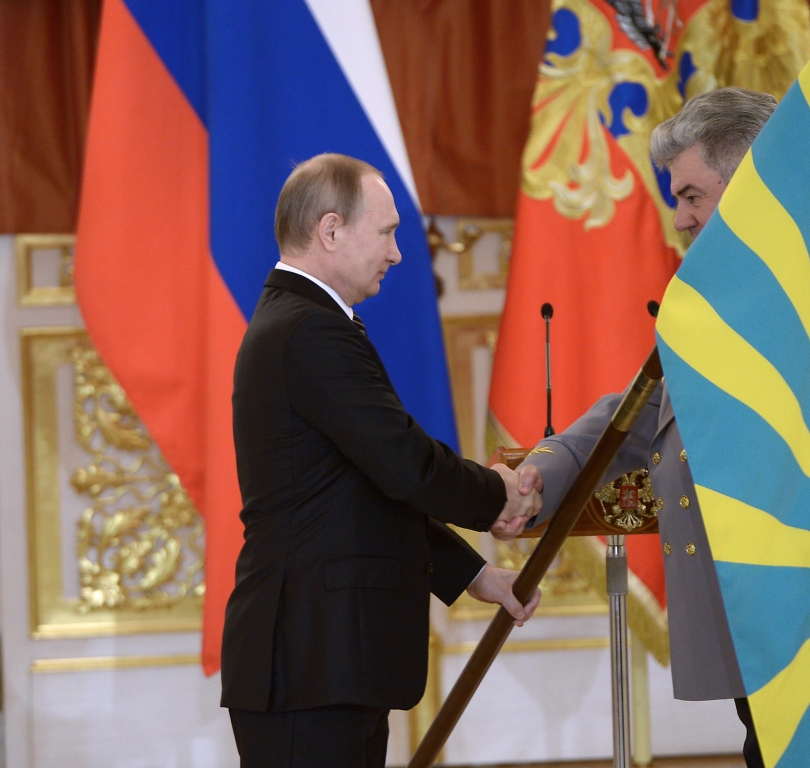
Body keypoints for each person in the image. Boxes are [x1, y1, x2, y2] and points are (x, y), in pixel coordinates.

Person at [221, 153, 542, 768]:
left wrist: (474, 576)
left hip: (325, 660)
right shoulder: (309, 330)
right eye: (387, 231)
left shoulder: (304, 323)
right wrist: (499, 494)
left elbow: (364, 489)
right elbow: (405, 464)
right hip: (311, 658)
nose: (397, 253)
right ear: (332, 230)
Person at [518, 87, 777, 768]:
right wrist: (537, 472)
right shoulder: (710, 296)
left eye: (693, 195)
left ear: (750, 178)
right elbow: (643, 416)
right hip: (752, 615)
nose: (681, 216)